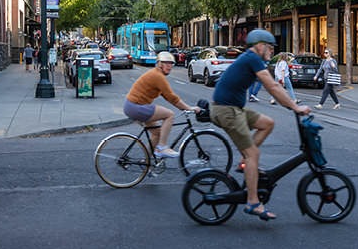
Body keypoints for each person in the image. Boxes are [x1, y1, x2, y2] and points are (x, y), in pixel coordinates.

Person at [210, 29, 311, 221]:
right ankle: (253, 202)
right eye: (270, 46)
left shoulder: (253, 59)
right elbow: (272, 86)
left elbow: (272, 85)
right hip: (226, 110)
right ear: (259, 46)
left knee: (267, 123)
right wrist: (295, 107)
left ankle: (244, 162)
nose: (272, 50)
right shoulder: (252, 58)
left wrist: (290, 104)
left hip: (233, 109)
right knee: (253, 154)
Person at [123, 51, 199, 159]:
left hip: (133, 106)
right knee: (169, 115)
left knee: (157, 133)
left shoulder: (157, 75)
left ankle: (146, 162)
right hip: (136, 107)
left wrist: (185, 107)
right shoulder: (157, 76)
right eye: (166, 63)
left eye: (171, 63)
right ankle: (162, 147)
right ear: (159, 64)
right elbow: (172, 98)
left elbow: (168, 97)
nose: (169, 66)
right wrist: (189, 108)